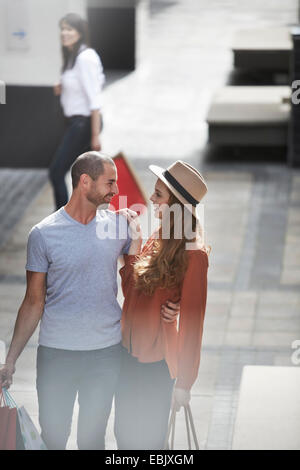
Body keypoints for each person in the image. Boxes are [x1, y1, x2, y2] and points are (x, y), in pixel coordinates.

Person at [0, 152, 179, 450]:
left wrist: (176, 304)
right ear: (85, 182)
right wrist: (10, 361)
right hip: (56, 355)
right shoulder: (43, 235)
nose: (116, 191)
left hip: (105, 355)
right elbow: (33, 302)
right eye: (110, 183)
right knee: (54, 437)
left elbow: (147, 279)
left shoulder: (120, 227)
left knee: (92, 440)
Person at [114, 160, 211, 450]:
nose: (151, 199)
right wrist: (133, 247)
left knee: (149, 443)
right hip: (127, 355)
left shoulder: (194, 254)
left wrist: (184, 383)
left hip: (156, 365)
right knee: (123, 436)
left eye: (158, 194)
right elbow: (132, 293)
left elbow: (194, 323)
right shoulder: (158, 237)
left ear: (176, 205)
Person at [50, 13, 105, 210]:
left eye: (69, 29)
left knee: (56, 172)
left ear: (80, 33)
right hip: (77, 122)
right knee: (82, 178)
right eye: (62, 29)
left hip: (84, 123)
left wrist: (95, 135)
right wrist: (62, 85)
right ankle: (81, 218)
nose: (64, 33)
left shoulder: (84, 58)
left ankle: (62, 222)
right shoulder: (74, 57)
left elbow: (95, 99)